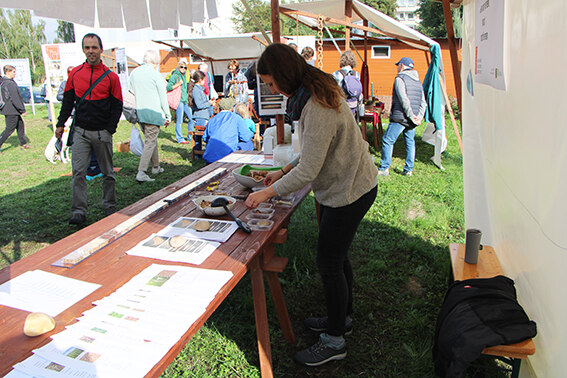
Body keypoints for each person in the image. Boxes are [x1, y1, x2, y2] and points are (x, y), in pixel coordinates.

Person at [245, 43, 378, 367]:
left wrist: (268, 192)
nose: (271, 89)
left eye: (272, 83)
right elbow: (315, 151)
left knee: (329, 262)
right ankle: (342, 319)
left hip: (349, 190)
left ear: (285, 75)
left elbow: (311, 169)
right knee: (337, 256)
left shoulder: (315, 105)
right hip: (348, 185)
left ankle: (335, 341)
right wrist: (283, 169)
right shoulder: (312, 90)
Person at [56, 33, 123, 225]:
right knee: (78, 172)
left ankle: (109, 205)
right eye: (87, 47)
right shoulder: (75, 74)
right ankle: (78, 211)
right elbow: (68, 102)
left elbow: (117, 105)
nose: (91, 51)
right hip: (81, 132)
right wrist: (60, 125)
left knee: (108, 172)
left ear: (101, 50)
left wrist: (110, 128)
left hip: (102, 132)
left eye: (94, 47)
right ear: (83, 50)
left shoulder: (111, 78)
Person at [377, 57, 426, 177]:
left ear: (402, 66)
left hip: (401, 117)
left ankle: (384, 168)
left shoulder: (400, 79)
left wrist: (410, 115)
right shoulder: (418, 81)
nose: (397, 68)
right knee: (410, 142)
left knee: (388, 140)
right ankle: (408, 169)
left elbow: (403, 99)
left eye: (398, 65)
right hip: (413, 118)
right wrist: (418, 117)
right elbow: (423, 102)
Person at [129, 50, 171, 183]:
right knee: (150, 142)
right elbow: (163, 97)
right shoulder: (155, 74)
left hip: (139, 112)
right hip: (153, 113)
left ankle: (156, 166)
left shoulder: (134, 72)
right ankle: (141, 172)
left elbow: (131, 91)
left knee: (151, 140)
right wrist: (168, 115)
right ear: (155, 62)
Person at [202, 98, 254, 164]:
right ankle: (242, 163)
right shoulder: (236, 117)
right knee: (249, 144)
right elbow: (245, 137)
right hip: (228, 155)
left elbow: (205, 138)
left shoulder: (212, 119)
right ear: (231, 108)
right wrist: (252, 133)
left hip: (210, 157)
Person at [0, 65, 30, 154]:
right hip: (11, 110)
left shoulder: (5, 82)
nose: (15, 74)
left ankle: (23, 143)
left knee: (20, 125)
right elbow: (15, 98)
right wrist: (22, 110)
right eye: (13, 72)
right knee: (9, 129)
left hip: (11, 109)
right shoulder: (9, 83)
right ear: (8, 72)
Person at [167, 59, 193, 144]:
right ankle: (180, 138)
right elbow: (168, 87)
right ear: (178, 67)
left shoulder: (184, 76)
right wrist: (179, 84)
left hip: (185, 101)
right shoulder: (175, 76)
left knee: (191, 118)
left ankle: (190, 137)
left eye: (185, 68)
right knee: (180, 120)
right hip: (179, 101)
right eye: (181, 67)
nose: (183, 69)